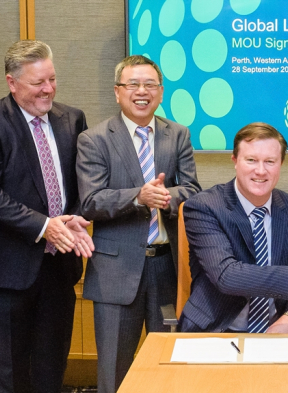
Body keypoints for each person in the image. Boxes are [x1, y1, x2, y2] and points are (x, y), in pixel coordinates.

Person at [76, 55, 200, 393]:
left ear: (161, 92)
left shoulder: (177, 134)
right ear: (118, 92)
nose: (141, 91)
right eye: (133, 84)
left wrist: (165, 197)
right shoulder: (95, 138)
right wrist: (138, 197)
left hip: (167, 268)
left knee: (170, 364)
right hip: (115, 272)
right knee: (114, 370)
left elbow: (192, 190)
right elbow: (90, 201)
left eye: (150, 85)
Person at [0, 40, 94, 393]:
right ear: (12, 82)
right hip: (9, 274)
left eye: (52, 79)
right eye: (38, 83)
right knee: (8, 374)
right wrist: (44, 226)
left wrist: (75, 218)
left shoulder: (72, 118)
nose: (48, 89)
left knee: (52, 369)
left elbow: (83, 183)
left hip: (59, 268)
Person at [179, 122, 288, 334]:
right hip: (217, 330)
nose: (260, 170)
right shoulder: (204, 207)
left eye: (270, 161)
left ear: (281, 164)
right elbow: (227, 276)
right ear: (235, 161)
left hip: (279, 332)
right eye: (251, 160)